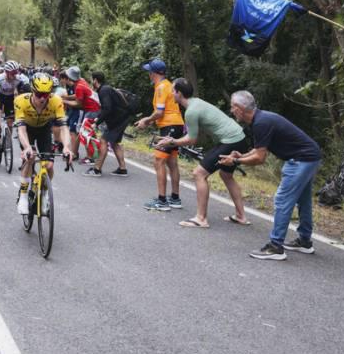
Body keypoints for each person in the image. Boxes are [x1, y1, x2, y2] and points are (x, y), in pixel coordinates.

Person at [220, 90, 322, 260]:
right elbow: (259, 149)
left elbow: (260, 158)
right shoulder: (260, 119)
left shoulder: (261, 122)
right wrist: (240, 156)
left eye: (232, 107)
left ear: (239, 108)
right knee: (303, 200)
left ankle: (276, 247)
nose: (231, 111)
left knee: (282, 199)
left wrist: (236, 163)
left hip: (300, 160)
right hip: (309, 157)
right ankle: (304, 241)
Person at [156, 79, 252, 228]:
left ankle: (201, 218)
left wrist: (172, 142)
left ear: (179, 93)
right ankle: (241, 216)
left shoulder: (191, 111)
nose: (171, 93)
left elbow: (192, 139)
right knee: (226, 175)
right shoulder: (196, 102)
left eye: (173, 90)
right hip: (239, 138)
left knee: (199, 173)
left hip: (231, 140)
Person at [14, 73, 73, 214]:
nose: (42, 98)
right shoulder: (20, 100)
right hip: (27, 130)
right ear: (33, 91)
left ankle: (45, 193)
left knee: (49, 165)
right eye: (39, 94)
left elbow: (64, 127)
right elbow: (21, 129)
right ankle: (23, 197)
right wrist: (27, 147)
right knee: (30, 158)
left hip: (44, 129)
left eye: (46, 95)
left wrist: (66, 147)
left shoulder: (56, 101)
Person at [135, 59, 184, 211]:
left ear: (154, 73)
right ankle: (175, 198)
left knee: (158, 161)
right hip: (177, 125)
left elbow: (159, 112)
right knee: (171, 162)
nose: (148, 74)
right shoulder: (168, 84)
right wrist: (148, 121)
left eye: (149, 71)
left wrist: (146, 120)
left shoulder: (161, 87)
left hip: (169, 126)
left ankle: (162, 201)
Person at [85, 72, 130, 177]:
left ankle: (97, 169)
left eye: (92, 80)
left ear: (95, 80)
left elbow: (107, 108)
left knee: (103, 140)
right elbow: (107, 108)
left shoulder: (104, 90)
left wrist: (97, 122)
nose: (91, 82)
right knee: (114, 143)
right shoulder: (106, 89)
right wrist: (99, 117)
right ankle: (122, 169)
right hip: (122, 118)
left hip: (118, 119)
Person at [62, 66, 100, 163]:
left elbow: (78, 104)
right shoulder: (81, 81)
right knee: (86, 132)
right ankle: (95, 154)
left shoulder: (78, 86)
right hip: (93, 109)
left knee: (86, 133)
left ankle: (90, 158)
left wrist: (64, 101)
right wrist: (67, 97)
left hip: (91, 110)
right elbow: (78, 96)